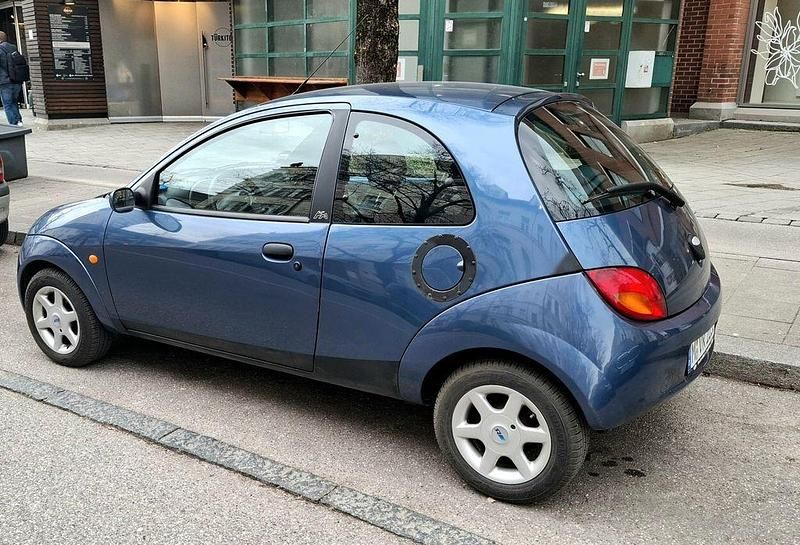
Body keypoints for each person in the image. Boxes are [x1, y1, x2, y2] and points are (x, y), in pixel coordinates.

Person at [0, 31, 22, 126]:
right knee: (14, 102)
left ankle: (14, 123)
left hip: (4, 81)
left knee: (7, 104)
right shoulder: (13, 47)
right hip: (16, 79)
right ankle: (19, 120)